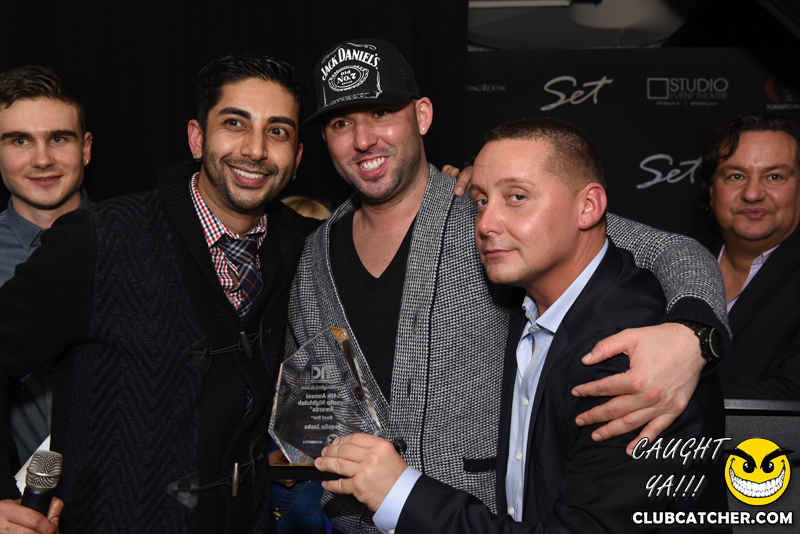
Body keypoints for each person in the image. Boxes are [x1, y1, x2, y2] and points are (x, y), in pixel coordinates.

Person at [287, 38, 728, 533]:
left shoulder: (486, 212)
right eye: (340, 123)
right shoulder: (314, 255)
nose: (363, 139)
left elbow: (673, 252)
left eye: (382, 112)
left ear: (422, 116)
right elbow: (311, 398)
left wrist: (693, 333)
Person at [0, 55, 317, 533]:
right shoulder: (99, 240)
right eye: (234, 123)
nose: (255, 149)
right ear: (197, 138)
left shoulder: (305, 245)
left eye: (277, 131)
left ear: (297, 155)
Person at [0, 65, 94, 475]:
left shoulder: (140, 244)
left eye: (58, 138)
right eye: (19, 140)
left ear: (85, 148)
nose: (42, 159)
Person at [698, 114, 800, 399]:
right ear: (712, 191)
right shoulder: (670, 266)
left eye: (774, 177)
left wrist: (670, 389)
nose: (753, 194)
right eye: (736, 176)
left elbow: (794, 394)